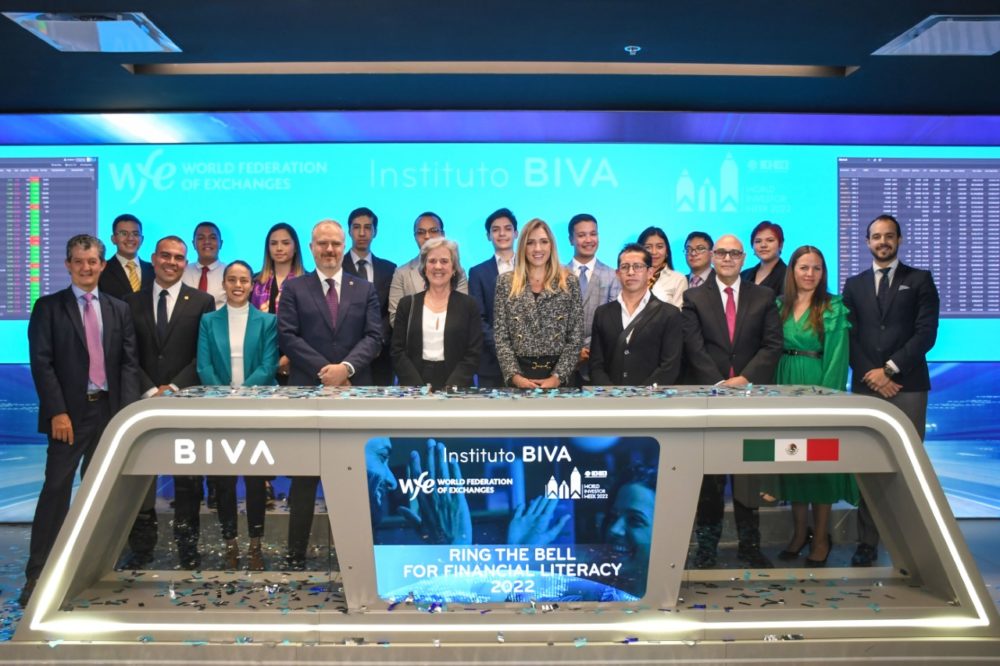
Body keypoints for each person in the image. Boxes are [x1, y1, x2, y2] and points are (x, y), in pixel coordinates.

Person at [20, 234, 140, 607]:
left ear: (102, 265)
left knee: (104, 492)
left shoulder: (119, 309)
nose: (86, 268)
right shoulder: (48, 307)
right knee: (56, 491)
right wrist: (57, 411)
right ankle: (37, 575)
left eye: (92, 261)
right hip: (68, 416)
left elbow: (128, 364)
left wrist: (126, 415)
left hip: (109, 413)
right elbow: (42, 364)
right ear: (68, 265)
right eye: (78, 261)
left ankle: (95, 570)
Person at [277, 219, 382, 569]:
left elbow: (374, 337)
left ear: (344, 246)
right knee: (304, 478)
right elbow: (288, 336)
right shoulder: (294, 288)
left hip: (354, 394)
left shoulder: (364, 288)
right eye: (322, 243)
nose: (329, 250)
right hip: (308, 392)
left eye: (336, 243)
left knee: (355, 478)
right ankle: (296, 555)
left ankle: (357, 559)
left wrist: (346, 369)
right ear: (311, 248)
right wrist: (327, 371)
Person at [842, 214, 939, 567]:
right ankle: (867, 542)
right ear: (867, 242)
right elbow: (849, 336)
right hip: (867, 386)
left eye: (889, 236)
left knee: (909, 467)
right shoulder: (853, 285)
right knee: (869, 466)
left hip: (908, 384)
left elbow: (926, 333)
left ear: (899, 239)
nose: (882, 241)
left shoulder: (920, 280)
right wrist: (871, 375)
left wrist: (890, 369)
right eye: (876, 236)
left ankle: (913, 545)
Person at [683, 234, 783, 569]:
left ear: (743, 258)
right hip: (709, 399)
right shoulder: (694, 297)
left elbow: (772, 345)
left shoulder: (763, 296)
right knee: (709, 479)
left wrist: (744, 380)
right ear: (713, 256)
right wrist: (718, 385)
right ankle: (706, 548)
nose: (728, 258)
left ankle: (750, 547)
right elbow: (694, 347)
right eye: (722, 253)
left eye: (735, 253)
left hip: (749, 399)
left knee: (748, 476)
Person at [123, 236, 216, 570]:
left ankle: (188, 550)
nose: (172, 263)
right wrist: (151, 390)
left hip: (185, 401)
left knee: (188, 480)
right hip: (141, 403)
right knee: (140, 478)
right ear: (153, 258)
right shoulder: (129, 303)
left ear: (185, 263)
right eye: (166, 256)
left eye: (178, 258)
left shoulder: (202, 301)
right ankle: (141, 550)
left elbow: (203, 355)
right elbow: (126, 353)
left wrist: (174, 387)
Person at [774, 246, 857, 567]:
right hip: (783, 385)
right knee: (792, 461)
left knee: (820, 466)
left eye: (817, 268)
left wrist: (825, 401)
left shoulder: (832, 307)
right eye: (804, 267)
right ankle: (799, 534)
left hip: (817, 386)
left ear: (824, 273)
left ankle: (821, 538)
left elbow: (837, 359)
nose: (810, 274)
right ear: (792, 270)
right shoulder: (779, 305)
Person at [197, 260, 279, 570]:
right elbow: (204, 366)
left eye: (244, 280)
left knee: (256, 481)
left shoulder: (267, 321)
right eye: (232, 279)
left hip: (255, 410)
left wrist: (242, 395)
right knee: (224, 481)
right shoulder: (208, 321)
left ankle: (255, 545)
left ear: (252, 285)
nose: (238, 285)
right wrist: (225, 397)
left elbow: (268, 366)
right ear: (224, 284)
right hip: (220, 411)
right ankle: (230, 543)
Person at [494, 218, 583, 389]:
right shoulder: (505, 283)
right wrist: (515, 377)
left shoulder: (569, 282)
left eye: (543, 242)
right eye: (530, 243)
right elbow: (501, 337)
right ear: (523, 247)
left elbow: (575, 337)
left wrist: (557, 377)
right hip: (519, 378)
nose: (537, 249)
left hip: (558, 379)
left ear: (551, 245)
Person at [391, 237, 483, 391]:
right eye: (432, 261)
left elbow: (474, 352)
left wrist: (452, 386)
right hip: (414, 386)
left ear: (454, 268)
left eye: (444, 261)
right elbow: (397, 351)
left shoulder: (469, 305)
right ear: (424, 268)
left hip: (457, 387)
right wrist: (418, 387)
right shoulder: (407, 304)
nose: (438, 266)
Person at [590, 243, 683, 386]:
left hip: (652, 397)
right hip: (610, 397)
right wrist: (611, 394)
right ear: (617, 273)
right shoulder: (603, 313)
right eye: (625, 267)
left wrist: (641, 394)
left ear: (650, 272)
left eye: (638, 266)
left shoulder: (669, 314)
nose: (631, 272)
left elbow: (669, 367)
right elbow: (596, 365)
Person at [343, 207, 397, 386]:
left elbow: (391, 310)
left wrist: (377, 341)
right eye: (356, 227)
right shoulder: (337, 267)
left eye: (367, 227)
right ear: (349, 231)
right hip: (345, 353)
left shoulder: (389, 268)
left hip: (381, 354)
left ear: (375, 232)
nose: (362, 233)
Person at [566, 213, 620, 384]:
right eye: (582, 235)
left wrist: (589, 351)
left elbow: (613, 322)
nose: (589, 240)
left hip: (598, 362)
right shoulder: (558, 274)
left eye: (593, 234)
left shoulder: (612, 275)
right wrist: (573, 352)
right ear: (571, 239)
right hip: (561, 363)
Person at [388, 212, 468, 327]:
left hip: (452, 334)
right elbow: (395, 318)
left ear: (443, 234)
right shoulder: (401, 273)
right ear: (415, 237)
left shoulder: (457, 270)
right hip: (414, 337)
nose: (427, 236)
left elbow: (463, 311)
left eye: (433, 231)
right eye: (420, 232)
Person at [468, 208, 518, 388]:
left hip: (528, 360)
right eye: (496, 230)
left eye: (507, 229)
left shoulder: (529, 268)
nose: (502, 233)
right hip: (491, 362)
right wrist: (503, 350)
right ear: (488, 236)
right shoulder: (478, 272)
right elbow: (478, 318)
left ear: (516, 233)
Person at [250, 222, 304, 381]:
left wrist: (290, 356)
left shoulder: (308, 282)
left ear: (295, 247)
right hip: (258, 360)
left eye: (285, 243)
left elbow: (313, 327)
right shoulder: (255, 282)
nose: (279, 248)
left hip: (297, 361)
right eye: (273, 243)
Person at [99, 213, 154, 299]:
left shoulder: (154, 270)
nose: (130, 238)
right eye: (124, 233)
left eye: (135, 234)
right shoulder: (101, 271)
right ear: (113, 239)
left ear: (142, 239)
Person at [638, 226, 687, 307]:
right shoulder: (630, 276)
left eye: (659, 247)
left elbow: (678, 313)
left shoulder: (678, 279)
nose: (654, 252)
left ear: (667, 251)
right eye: (648, 247)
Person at [182, 221, 227, 308]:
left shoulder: (229, 273)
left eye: (212, 238)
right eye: (201, 238)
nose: (207, 242)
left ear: (221, 243)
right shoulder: (183, 271)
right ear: (193, 244)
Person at [741, 220, 787, 296]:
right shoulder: (744, 275)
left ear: (781, 245)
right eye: (758, 241)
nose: (763, 245)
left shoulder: (789, 276)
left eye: (770, 240)